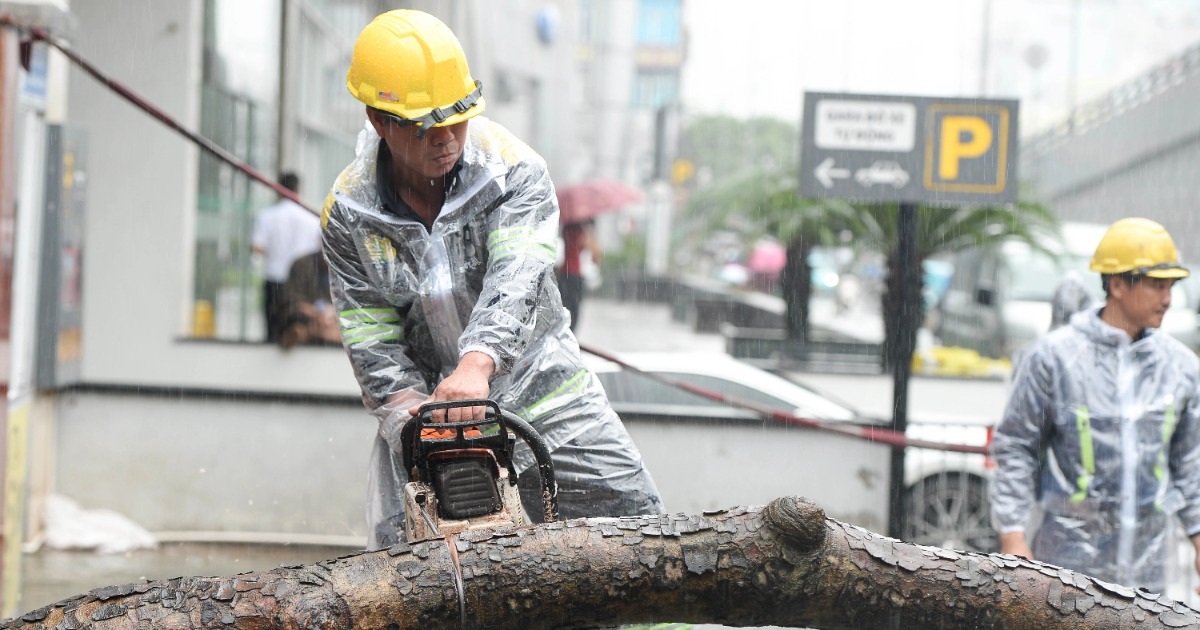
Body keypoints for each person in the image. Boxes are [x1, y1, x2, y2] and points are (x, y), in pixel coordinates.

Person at [323, 9, 664, 549]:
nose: (446, 137)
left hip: (550, 398)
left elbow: (517, 278)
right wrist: (416, 420)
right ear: (377, 118)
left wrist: (477, 365)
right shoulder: (350, 212)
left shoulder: (512, 173)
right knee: (407, 562)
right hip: (430, 416)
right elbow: (370, 337)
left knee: (638, 534)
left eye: (457, 117)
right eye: (425, 125)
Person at [990, 217, 1200, 593]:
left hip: (1148, 573)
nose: (1167, 298)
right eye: (1157, 285)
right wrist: (1013, 536)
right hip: (1066, 567)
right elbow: (1017, 447)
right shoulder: (1053, 358)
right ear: (1117, 284)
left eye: (1171, 286)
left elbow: (1190, 462)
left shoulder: (1181, 369)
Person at [251, 172, 322, 343]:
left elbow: (257, 247)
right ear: (299, 189)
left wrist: (277, 251)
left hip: (275, 280)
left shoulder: (267, 216)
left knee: (272, 333)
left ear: (277, 189)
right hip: (303, 284)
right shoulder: (311, 216)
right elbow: (320, 247)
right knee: (306, 327)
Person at [278, 252, 340, 350]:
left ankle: (309, 332)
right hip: (306, 318)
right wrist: (316, 314)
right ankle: (301, 332)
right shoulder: (302, 264)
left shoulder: (347, 268)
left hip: (333, 323)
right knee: (297, 320)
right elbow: (292, 299)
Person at [557, 219, 601, 331]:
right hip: (574, 275)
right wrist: (591, 233)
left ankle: (565, 332)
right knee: (574, 309)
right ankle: (571, 333)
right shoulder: (580, 231)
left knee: (565, 307)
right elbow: (595, 255)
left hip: (563, 274)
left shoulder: (566, 228)